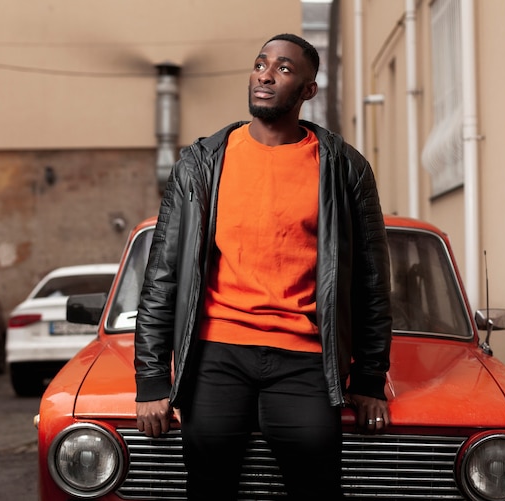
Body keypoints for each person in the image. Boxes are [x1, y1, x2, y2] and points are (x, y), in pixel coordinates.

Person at [134, 33, 392, 500]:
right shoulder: (200, 164)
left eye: (284, 69)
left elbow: (371, 281)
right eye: (260, 64)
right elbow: (162, 276)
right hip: (216, 353)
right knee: (209, 483)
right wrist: (151, 379)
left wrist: (370, 378)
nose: (265, 75)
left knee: (317, 481)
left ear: (308, 91)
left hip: (305, 357)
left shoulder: (345, 168)